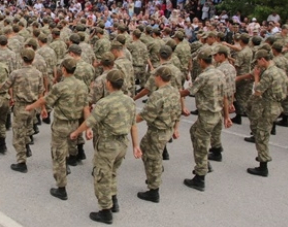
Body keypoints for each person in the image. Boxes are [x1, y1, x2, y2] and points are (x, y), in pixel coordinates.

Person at [69, 70, 141, 224]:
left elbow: (90, 122)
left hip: (108, 145)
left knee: (101, 176)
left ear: (108, 83)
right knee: (113, 172)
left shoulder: (105, 102)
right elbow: (133, 125)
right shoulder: (130, 101)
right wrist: (136, 145)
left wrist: (76, 132)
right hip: (123, 144)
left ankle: (105, 211)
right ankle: (113, 200)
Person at [24, 58, 89, 200]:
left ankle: (61, 188)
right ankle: (66, 168)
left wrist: (31, 106)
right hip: (75, 124)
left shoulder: (60, 86)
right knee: (67, 149)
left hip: (61, 124)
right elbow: (86, 106)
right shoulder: (82, 85)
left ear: (64, 70)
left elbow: (45, 100)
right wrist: (88, 125)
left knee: (58, 155)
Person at [247, 50, 288, 176]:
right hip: (277, 107)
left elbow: (258, 91)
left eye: (258, 61)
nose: (257, 64)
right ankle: (262, 157)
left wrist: (256, 76)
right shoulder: (280, 71)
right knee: (264, 132)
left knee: (261, 135)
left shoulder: (268, 73)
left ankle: (263, 165)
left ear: (263, 59)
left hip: (268, 107)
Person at [179, 47, 231, 191]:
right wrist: (226, 116)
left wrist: (173, 93)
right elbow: (225, 95)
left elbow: (189, 91)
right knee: (193, 132)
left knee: (201, 144)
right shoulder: (220, 73)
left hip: (207, 115)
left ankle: (200, 177)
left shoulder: (204, 76)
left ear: (202, 60)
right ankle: (205, 164)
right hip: (216, 114)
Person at [0, 48, 45, 173]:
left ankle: (21, 162)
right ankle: (26, 147)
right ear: (33, 59)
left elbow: (5, 85)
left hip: (21, 106)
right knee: (27, 129)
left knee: (18, 134)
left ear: (22, 58)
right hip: (33, 106)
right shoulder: (38, 73)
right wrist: (42, 108)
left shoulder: (16, 73)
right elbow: (41, 91)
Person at [135, 66, 181, 203]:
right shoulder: (175, 91)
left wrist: (129, 122)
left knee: (153, 159)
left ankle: (153, 190)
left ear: (159, 77)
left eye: (155, 76)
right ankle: (154, 173)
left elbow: (145, 115)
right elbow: (178, 112)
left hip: (157, 132)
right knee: (143, 148)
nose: (154, 78)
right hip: (166, 130)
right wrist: (176, 128)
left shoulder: (158, 95)